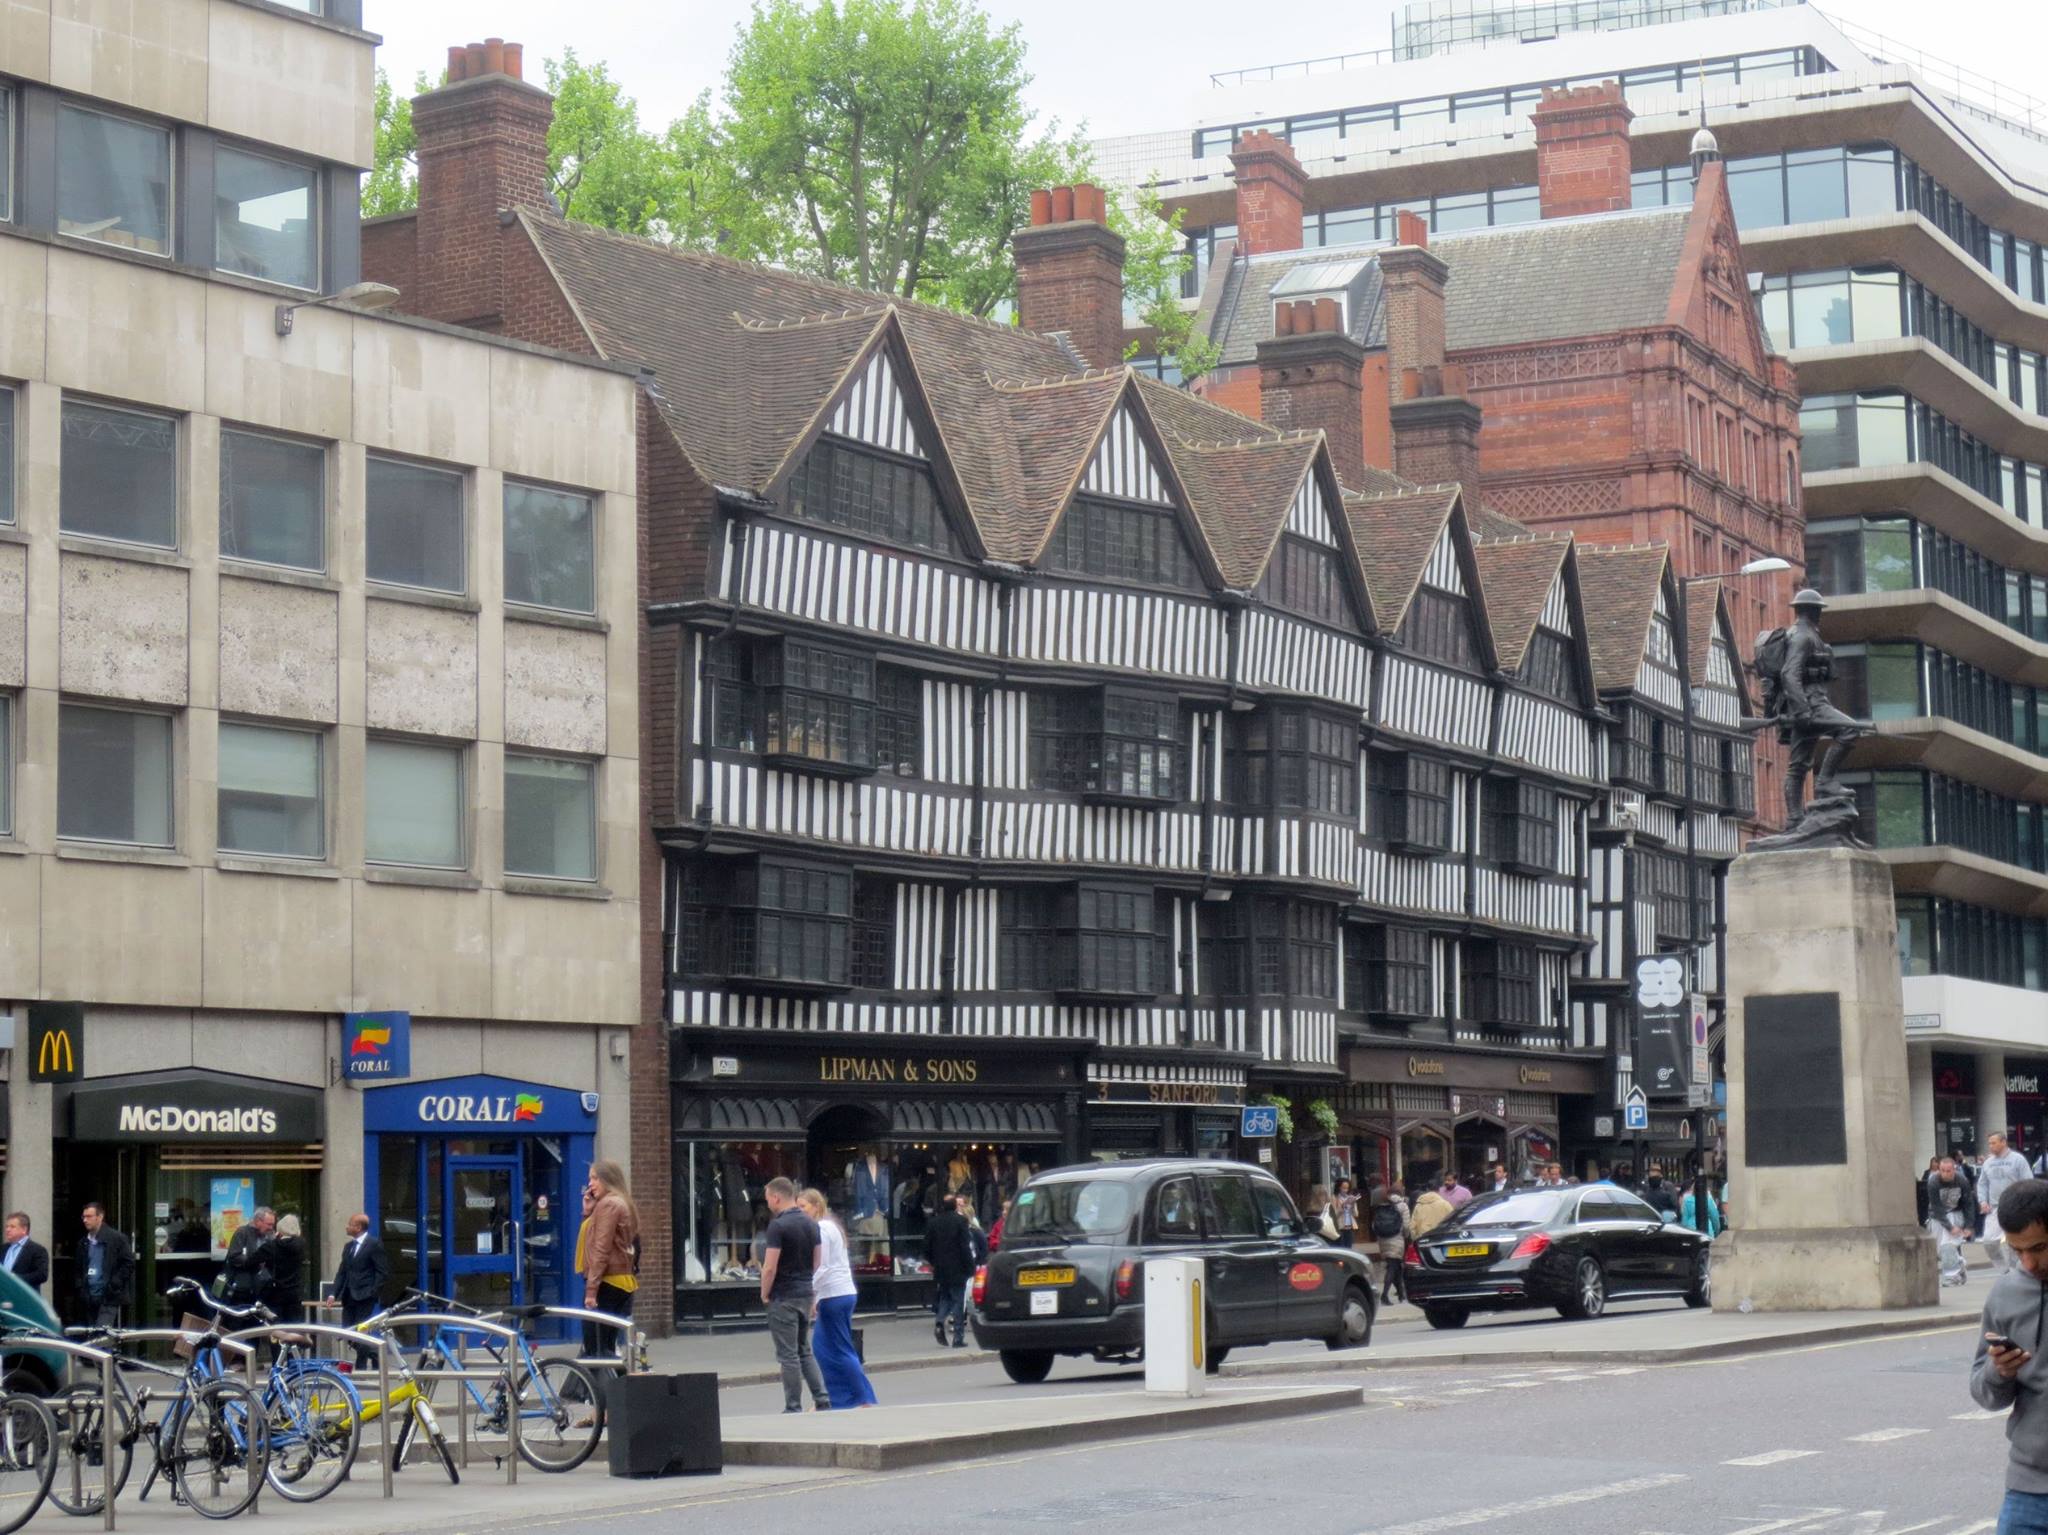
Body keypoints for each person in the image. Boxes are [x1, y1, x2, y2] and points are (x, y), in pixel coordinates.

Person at [1970, 1178, 2048, 1531]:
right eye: (2018, 1251)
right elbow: (1985, 1394)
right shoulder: (2006, 1294)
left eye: (2039, 1248)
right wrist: (1999, 1371)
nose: (2028, 1262)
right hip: (2030, 1489)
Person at [797, 1189, 876, 1409]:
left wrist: (810, 1292)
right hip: (839, 1292)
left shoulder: (822, 1228)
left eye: (803, 1206)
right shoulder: (830, 1227)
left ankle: (861, 1398)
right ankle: (842, 1397)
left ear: (816, 1205)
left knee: (836, 1348)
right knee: (827, 1347)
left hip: (834, 1294)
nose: (800, 1211)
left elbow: (822, 1266)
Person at [759, 1178, 829, 1412]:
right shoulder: (811, 1224)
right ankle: (822, 1398)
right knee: (804, 1349)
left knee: (788, 1355)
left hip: (783, 1295)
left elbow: (770, 1267)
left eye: (768, 1197)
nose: (767, 1202)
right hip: (805, 1292)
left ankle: (793, 1406)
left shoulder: (777, 1227)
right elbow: (817, 1261)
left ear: (776, 1198)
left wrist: (764, 1293)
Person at [578, 1160, 640, 1361]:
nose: (591, 1183)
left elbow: (601, 1248)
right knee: (605, 1345)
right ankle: (608, 1388)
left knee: (595, 1347)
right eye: (590, 1178)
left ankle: (598, 1390)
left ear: (608, 1180)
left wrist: (591, 1290)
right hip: (618, 1281)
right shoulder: (616, 1202)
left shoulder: (609, 1204)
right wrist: (588, 1212)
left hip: (607, 1281)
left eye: (595, 1178)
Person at [333, 1213, 389, 1368]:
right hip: (349, 1296)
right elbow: (342, 1272)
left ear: (358, 1227)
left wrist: (373, 1291)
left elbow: (382, 1271)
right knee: (348, 1332)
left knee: (360, 1330)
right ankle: (374, 1352)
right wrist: (333, 1294)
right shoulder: (348, 1247)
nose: (346, 1226)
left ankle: (361, 1365)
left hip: (365, 1296)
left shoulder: (374, 1245)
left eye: (349, 1224)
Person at [924, 1188, 977, 1348]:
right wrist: (970, 1267)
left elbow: (927, 1247)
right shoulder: (960, 1222)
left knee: (945, 1297)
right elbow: (965, 1247)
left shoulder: (933, 1222)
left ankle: (940, 1321)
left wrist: (934, 1262)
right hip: (958, 1267)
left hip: (941, 1268)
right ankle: (958, 1338)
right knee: (958, 1301)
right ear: (955, 1207)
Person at [1983, 1134, 2035, 1274]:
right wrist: (1982, 1201)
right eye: (1989, 1143)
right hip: (1995, 1207)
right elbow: (1982, 1184)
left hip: (2015, 1206)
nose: (1990, 1146)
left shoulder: (2018, 1160)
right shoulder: (1987, 1162)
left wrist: (2025, 1202)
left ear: (2003, 1142)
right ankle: (2003, 1270)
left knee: (2011, 1242)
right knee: (1989, 1241)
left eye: (1993, 1143)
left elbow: (2027, 1181)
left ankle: (2016, 1271)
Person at [77, 1204, 134, 1328]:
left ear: (100, 1217)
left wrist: (115, 1283)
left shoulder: (116, 1238)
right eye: (83, 1217)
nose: (85, 1220)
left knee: (101, 1335)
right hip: (89, 1297)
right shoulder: (83, 1242)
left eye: (89, 1216)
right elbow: (79, 1268)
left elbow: (128, 1263)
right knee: (92, 1334)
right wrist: (81, 1286)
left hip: (108, 1296)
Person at [1928, 1156, 1978, 1287]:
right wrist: (1949, 1227)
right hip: (1938, 1216)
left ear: (1954, 1169)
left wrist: (1968, 1225)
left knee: (1947, 1245)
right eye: (1942, 1170)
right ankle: (1959, 1264)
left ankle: (1951, 1277)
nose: (1945, 1174)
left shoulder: (1962, 1180)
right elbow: (1936, 1207)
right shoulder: (1933, 1181)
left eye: (1948, 1171)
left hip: (1956, 1212)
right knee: (1939, 1251)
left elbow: (1968, 1203)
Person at [222, 1206, 276, 1304]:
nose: (271, 1228)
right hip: (241, 1288)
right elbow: (234, 1256)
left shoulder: (269, 1236)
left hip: (262, 1289)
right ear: (258, 1221)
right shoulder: (242, 1233)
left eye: (272, 1225)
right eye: (269, 1224)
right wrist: (254, 1261)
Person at [1367, 1185, 1409, 1304]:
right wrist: (1405, 1236)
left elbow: (1374, 1224)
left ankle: (1401, 1294)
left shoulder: (1382, 1205)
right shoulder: (1402, 1205)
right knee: (1392, 1267)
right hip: (1397, 1238)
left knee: (1395, 1266)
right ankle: (1384, 1295)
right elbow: (1406, 1225)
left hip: (1383, 1239)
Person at [264, 1213, 306, 1324]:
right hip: (295, 1292)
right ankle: (296, 1340)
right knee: (294, 1325)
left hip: (277, 1291)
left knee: (278, 1327)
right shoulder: (301, 1243)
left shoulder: (273, 1246)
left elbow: (251, 1260)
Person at [2, 1214, 49, 1294]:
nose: (8, 1230)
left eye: (12, 1227)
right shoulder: (3, 1248)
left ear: (24, 1229)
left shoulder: (37, 1250)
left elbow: (41, 1275)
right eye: (7, 1226)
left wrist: (15, 1278)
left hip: (24, 1298)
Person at [1332, 1179, 1360, 1246]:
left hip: (1349, 1227)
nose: (1345, 1190)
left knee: (1349, 1247)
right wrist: (1343, 1206)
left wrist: (1353, 1205)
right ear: (1339, 1187)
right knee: (1341, 1247)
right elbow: (1334, 1215)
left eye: (1347, 1188)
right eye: (1343, 1188)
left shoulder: (1350, 1198)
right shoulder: (1334, 1198)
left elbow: (1356, 1214)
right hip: (1339, 1227)